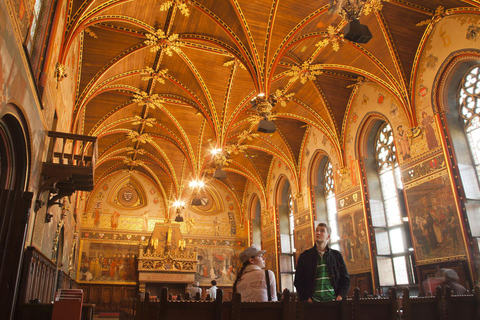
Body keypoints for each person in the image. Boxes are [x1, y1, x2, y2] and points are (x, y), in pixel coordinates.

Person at [294, 222, 350, 302]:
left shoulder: (336, 256)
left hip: (333, 301)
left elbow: (345, 279)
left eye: (322, 231)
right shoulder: (305, 256)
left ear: (328, 236)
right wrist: (307, 298)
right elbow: (298, 281)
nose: (318, 233)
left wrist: (340, 296)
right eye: (316, 230)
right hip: (313, 303)